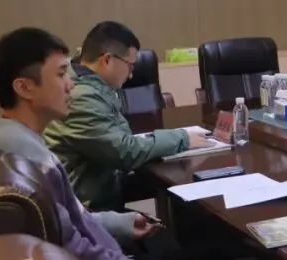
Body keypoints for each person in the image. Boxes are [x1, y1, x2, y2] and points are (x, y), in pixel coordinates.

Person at [0, 27, 180, 260]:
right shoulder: (25, 158)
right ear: (25, 88)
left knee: (168, 242)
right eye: (61, 74)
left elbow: (69, 220)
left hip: (97, 256)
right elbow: (74, 252)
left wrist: (122, 223)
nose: (70, 84)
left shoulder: (12, 138)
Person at [44, 21, 209, 211]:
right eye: (130, 66)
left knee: (184, 187)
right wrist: (182, 138)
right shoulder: (82, 96)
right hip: (85, 211)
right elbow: (125, 152)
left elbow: (123, 136)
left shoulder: (92, 85)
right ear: (107, 60)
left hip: (98, 188)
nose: (131, 75)